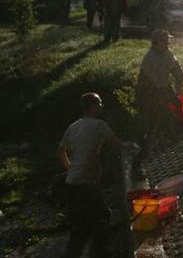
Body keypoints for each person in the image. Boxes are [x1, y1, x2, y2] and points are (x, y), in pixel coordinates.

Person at [57, 92, 136, 258]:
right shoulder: (99, 125)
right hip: (86, 184)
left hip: (72, 182)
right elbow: (117, 145)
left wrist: (71, 168)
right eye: (100, 103)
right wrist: (132, 146)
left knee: (84, 225)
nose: (102, 106)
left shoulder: (73, 126)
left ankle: (101, 250)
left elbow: (60, 151)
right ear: (92, 107)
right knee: (99, 219)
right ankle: (105, 252)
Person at [135, 29, 183, 159]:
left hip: (163, 87)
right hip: (148, 94)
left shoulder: (166, 52)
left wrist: (179, 81)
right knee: (150, 126)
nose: (168, 42)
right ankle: (138, 160)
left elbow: (176, 67)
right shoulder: (151, 60)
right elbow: (159, 84)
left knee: (181, 110)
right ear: (157, 42)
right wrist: (173, 97)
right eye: (165, 40)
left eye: (167, 39)